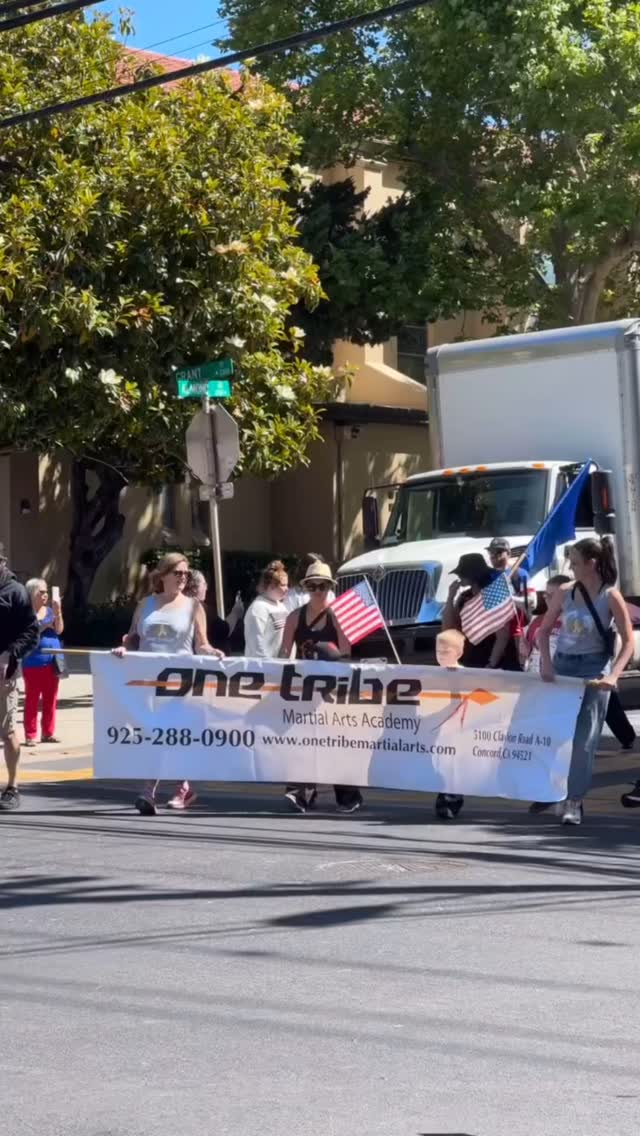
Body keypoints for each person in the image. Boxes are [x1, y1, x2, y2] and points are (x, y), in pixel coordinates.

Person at [113, 552, 224, 815]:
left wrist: (212, 652)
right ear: (162, 575)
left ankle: (148, 791)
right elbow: (133, 638)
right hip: (148, 682)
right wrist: (123, 648)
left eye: (186, 573)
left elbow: (201, 643)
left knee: (162, 734)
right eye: (178, 573)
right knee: (159, 735)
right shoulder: (145, 604)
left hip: (180, 682)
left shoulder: (194, 607)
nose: (183, 578)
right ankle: (183, 785)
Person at [538, 536, 633, 825]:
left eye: (576, 563)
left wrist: (613, 675)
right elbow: (543, 631)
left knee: (584, 741)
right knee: (556, 736)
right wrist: (546, 662)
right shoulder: (565, 591)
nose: (572, 567)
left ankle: (574, 801)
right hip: (564, 666)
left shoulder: (610, 595)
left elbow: (629, 641)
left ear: (591, 563)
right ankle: (553, 791)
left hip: (593, 671)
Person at [280, 560, 363, 814]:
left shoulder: (337, 616)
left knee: (336, 741)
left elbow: (346, 652)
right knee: (302, 740)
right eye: (313, 585)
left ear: (329, 587)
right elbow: (284, 652)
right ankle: (301, 791)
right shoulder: (295, 616)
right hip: (304, 687)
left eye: (323, 586)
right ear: (306, 587)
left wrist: (330, 664)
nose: (318, 590)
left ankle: (348, 795)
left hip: (332, 687)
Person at [0, 549, 39, 811]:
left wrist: (9, 654)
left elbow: (31, 631)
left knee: (7, 729)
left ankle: (12, 786)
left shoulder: (16, 591)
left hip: (4, 674)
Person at [442, 553, 521, 671]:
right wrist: (450, 598)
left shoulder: (491, 596)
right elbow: (448, 627)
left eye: (462, 574)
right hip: (472, 660)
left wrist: (491, 664)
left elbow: (502, 636)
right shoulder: (465, 597)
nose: (459, 577)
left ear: (472, 575)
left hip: (497, 663)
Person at [22, 578, 65, 746]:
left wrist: (58, 613)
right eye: (42, 592)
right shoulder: (25, 613)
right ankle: (30, 735)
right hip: (33, 663)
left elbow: (59, 630)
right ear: (32, 593)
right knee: (32, 699)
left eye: (47, 592)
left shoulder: (50, 611)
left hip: (53, 661)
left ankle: (48, 732)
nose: (45, 595)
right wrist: (44, 624)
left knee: (50, 698)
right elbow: (28, 632)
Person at [433, 628, 466, 821]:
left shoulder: (465, 675)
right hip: (437, 728)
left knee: (454, 767)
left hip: (458, 729)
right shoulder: (431, 674)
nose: (441, 655)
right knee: (441, 765)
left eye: (446, 652)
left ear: (458, 653)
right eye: (438, 651)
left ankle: (451, 801)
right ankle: (442, 797)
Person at [520, 574, 570, 673]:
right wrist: (525, 650)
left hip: (564, 678)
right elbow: (528, 655)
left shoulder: (576, 622)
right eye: (546, 595)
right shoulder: (537, 622)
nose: (547, 599)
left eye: (552, 596)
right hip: (537, 679)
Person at [185, 570, 244, 653]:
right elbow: (223, 630)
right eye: (204, 584)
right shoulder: (199, 607)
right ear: (195, 588)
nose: (206, 588)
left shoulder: (181, 606)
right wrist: (236, 612)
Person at [244, 561, 289, 657]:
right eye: (283, 585)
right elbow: (256, 644)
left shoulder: (281, 606)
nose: (287, 589)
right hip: (265, 668)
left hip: (281, 667)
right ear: (271, 585)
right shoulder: (258, 608)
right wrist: (267, 666)